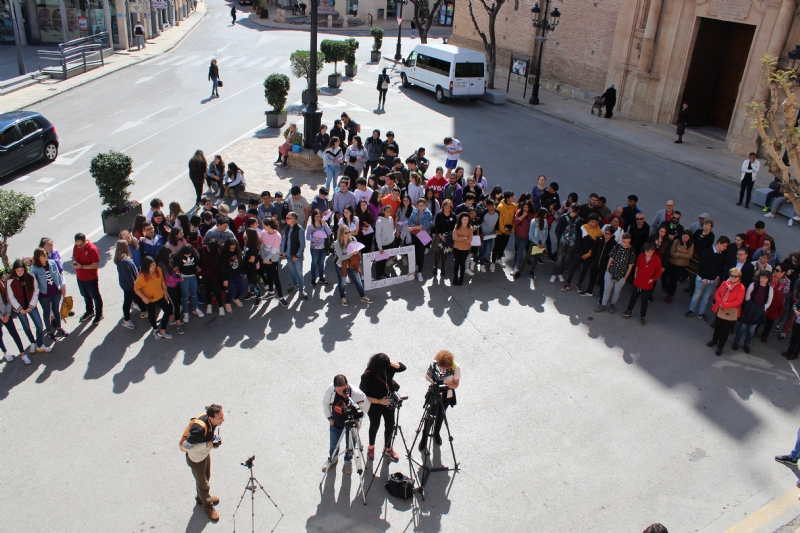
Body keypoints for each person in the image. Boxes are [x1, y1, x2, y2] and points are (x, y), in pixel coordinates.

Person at [181, 404, 224, 521]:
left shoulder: (209, 420)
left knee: (206, 478)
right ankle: (207, 505)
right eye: (220, 418)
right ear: (210, 418)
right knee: (204, 484)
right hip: (196, 460)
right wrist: (208, 445)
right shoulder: (199, 430)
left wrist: (213, 439)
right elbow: (186, 447)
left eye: (222, 416)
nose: (223, 420)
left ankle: (201, 497)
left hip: (204, 455)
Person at [359, 353, 406, 461]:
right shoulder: (367, 376)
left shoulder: (387, 368)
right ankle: (371, 447)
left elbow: (403, 367)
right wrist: (379, 401)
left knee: (390, 425)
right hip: (375, 405)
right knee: (375, 425)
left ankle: (388, 448)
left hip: (389, 402)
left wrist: (388, 362)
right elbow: (363, 396)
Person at [322, 375, 367, 474]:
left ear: (347, 384)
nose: (341, 393)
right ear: (334, 387)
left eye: (343, 390)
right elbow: (325, 403)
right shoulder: (330, 390)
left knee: (350, 445)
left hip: (351, 426)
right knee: (333, 444)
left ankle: (348, 460)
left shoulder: (357, 394)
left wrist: (357, 420)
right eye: (338, 391)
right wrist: (330, 418)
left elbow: (366, 405)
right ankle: (332, 459)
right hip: (336, 424)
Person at [418, 350, 460, 452]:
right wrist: (434, 382)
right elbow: (427, 375)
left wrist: (444, 385)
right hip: (435, 392)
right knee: (430, 415)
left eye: (446, 368)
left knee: (441, 414)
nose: (443, 369)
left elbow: (455, 384)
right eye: (441, 367)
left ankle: (436, 433)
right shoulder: (434, 363)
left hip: (447, 393)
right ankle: (424, 437)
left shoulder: (456, 368)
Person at [8, 259, 50, 357]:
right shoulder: (10, 281)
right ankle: (33, 342)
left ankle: (40, 344)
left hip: (31, 306)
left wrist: (31, 306)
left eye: (22, 270)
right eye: (17, 270)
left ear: (25, 269)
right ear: (14, 270)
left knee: (39, 325)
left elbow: (36, 291)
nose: (20, 272)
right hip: (20, 309)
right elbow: (11, 297)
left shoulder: (30, 277)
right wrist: (20, 309)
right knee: (26, 327)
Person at [685, 236, 730, 323]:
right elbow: (701, 266)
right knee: (696, 296)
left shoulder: (722, 255)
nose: (725, 248)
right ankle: (691, 310)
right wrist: (703, 278)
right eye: (724, 246)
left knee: (705, 298)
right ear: (719, 243)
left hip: (712, 281)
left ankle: (701, 313)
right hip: (702, 280)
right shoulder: (707, 252)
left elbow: (721, 268)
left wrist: (718, 276)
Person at [707, 267, 745, 355]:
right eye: (731, 275)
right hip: (720, 308)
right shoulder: (724, 283)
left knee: (725, 331)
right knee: (717, 326)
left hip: (730, 311)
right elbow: (717, 294)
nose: (733, 277)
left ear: (739, 277)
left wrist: (725, 305)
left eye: (735, 276)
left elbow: (738, 301)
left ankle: (720, 347)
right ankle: (714, 340)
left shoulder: (741, 288)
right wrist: (721, 303)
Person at [31, 247, 67, 340]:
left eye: (46, 254)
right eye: (43, 255)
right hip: (44, 295)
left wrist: (61, 287)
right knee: (46, 312)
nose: (46, 256)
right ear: (38, 257)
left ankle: (59, 327)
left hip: (55, 291)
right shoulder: (34, 269)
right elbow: (33, 283)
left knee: (56, 310)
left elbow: (58, 276)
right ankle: (49, 331)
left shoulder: (52, 263)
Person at [622, 243, 662, 325]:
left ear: (653, 251)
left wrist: (652, 280)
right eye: (647, 252)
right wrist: (636, 275)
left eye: (650, 252)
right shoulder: (641, 256)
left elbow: (658, 272)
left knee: (644, 302)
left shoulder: (657, 260)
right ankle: (629, 310)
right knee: (633, 297)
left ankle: (642, 316)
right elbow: (637, 265)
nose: (648, 254)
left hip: (647, 285)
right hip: (637, 282)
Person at [732, 271, 773, 353]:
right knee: (742, 327)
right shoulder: (753, 285)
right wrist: (752, 306)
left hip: (758, 312)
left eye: (765, 278)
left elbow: (769, 302)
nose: (762, 279)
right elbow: (747, 297)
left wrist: (761, 308)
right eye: (762, 277)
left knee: (751, 329)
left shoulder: (770, 289)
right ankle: (736, 342)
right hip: (749, 309)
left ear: (768, 279)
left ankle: (746, 344)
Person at [595, 234, 636, 313]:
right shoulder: (616, 247)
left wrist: (625, 278)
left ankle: (612, 305)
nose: (627, 244)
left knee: (617, 291)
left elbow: (630, 266)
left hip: (621, 275)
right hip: (611, 272)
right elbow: (611, 259)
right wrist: (607, 270)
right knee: (607, 290)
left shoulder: (631, 251)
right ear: (622, 240)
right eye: (625, 242)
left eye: (628, 242)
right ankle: (603, 305)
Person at [134, 256, 173, 340]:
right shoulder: (141, 277)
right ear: (146, 266)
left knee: (168, 310)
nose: (153, 267)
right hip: (149, 299)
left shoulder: (158, 269)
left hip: (160, 295)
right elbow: (136, 289)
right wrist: (144, 298)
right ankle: (155, 329)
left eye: (154, 264)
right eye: (151, 265)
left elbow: (162, 281)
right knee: (152, 314)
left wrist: (165, 294)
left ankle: (162, 331)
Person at [563, 213, 602, 292]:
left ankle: (579, 284)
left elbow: (595, 246)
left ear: (597, 222)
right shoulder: (583, 227)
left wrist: (588, 255)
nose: (591, 223)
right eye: (590, 221)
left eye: (593, 222)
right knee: (573, 267)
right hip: (580, 252)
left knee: (584, 270)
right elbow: (579, 241)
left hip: (589, 255)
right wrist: (581, 253)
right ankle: (568, 283)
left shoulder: (599, 232)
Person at [73, 232, 103, 325]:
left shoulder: (92, 249)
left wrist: (81, 267)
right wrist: (74, 262)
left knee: (95, 296)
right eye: (77, 245)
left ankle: (99, 314)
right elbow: (74, 257)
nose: (79, 247)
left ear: (85, 240)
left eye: (81, 245)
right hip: (80, 278)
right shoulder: (76, 246)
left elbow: (95, 265)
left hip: (90, 278)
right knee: (85, 295)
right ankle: (89, 311)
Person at [551, 203, 581, 283]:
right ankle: (554, 274)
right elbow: (558, 229)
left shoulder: (578, 220)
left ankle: (560, 273)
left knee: (566, 259)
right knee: (559, 259)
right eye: (573, 210)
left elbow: (579, 232)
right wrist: (559, 239)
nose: (574, 213)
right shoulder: (563, 217)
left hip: (572, 243)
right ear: (570, 209)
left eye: (576, 212)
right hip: (562, 241)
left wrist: (576, 242)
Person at [281, 211, 307, 301]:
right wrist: (283, 251)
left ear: (294, 219)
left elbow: (302, 245)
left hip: (296, 255)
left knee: (299, 273)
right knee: (292, 271)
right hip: (288, 254)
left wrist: (297, 255)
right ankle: (295, 285)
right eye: (286, 218)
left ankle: (301, 291)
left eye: (288, 218)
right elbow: (285, 239)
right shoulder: (287, 227)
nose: (286, 219)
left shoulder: (300, 229)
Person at [664, 231, 693, 302]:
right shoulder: (676, 241)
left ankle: (671, 295)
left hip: (682, 266)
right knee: (670, 279)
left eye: (687, 237)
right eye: (684, 236)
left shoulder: (691, 244)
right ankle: (668, 293)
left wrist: (679, 254)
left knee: (674, 281)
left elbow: (689, 255)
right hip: (673, 263)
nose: (685, 238)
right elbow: (671, 252)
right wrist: (683, 254)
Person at [408, 198, 433, 282]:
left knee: (421, 253)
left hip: (423, 235)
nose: (421, 207)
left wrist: (414, 227)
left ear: (425, 205)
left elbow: (424, 226)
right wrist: (413, 227)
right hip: (414, 234)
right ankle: (415, 265)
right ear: (417, 205)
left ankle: (420, 272)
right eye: (419, 205)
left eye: (422, 205)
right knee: (414, 251)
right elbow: (410, 220)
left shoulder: (428, 213)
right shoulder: (415, 211)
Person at [528, 208, 549, 281]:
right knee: (528, 256)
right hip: (534, 242)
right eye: (545, 214)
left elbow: (546, 233)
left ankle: (532, 271)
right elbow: (530, 234)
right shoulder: (534, 221)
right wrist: (537, 243)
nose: (546, 215)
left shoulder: (545, 221)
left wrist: (542, 242)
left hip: (540, 242)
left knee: (537, 257)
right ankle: (519, 270)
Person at [452, 213, 473, 285]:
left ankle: (461, 279)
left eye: (467, 220)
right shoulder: (457, 226)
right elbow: (454, 238)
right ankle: (455, 278)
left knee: (462, 263)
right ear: (461, 219)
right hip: (456, 247)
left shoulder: (470, 228)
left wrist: (459, 238)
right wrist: (464, 238)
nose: (465, 221)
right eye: (464, 219)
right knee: (456, 263)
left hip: (465, 249)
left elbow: (469, 240)